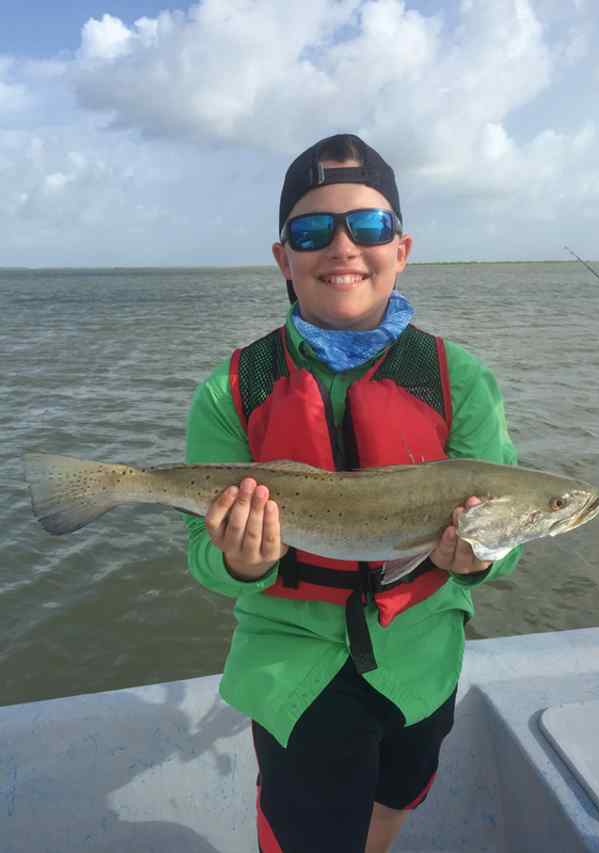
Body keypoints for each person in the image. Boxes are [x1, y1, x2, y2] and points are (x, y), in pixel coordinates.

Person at [185, 133, 521, 853]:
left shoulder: (459, 378)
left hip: (422, 662)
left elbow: (507, 542)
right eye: (312, 230)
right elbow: (203, 559)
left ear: (400, 248)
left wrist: (479, 559)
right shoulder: (232, 388)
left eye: (368, 227)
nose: (342, 247)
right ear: (284, 257)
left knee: (397, 795)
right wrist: (240, 560)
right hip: (295, 674)